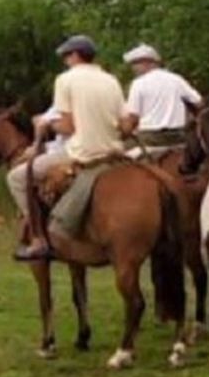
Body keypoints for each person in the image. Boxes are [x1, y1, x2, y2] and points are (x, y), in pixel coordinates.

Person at [13, 35, 131, 261]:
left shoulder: (65, 80)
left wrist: (46, 123)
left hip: (81, 152)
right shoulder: (111, 80)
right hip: (115, 152)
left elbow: (67, 127)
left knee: (18, 178)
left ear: (75, 55)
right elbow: (126, 125)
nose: (65, 60)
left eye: (66, 56)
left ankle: (38, 238)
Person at [123, 43, 201, 153]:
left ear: (148, 62)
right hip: (178, 136)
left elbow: (133, 117)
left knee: (122, 157)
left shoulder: (138, 84)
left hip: (150, 138)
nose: (133, 68)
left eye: (136, 63)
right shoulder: (176, 79)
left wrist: (124, 131)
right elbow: (198, 102)